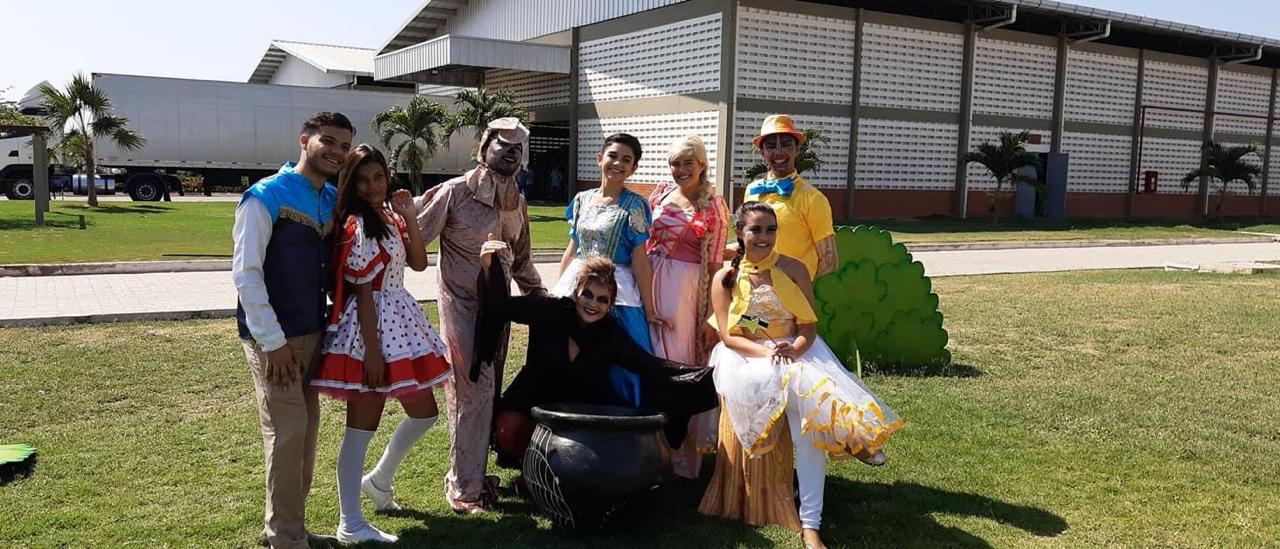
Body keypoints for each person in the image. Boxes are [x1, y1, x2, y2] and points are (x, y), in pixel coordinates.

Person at [698, 202, 902, 549]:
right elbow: (729, 335)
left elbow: (807, 325)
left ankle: (811, 525)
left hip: (796, 349)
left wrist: (793, 348)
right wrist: (770, 353)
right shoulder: (726, 277)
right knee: (805, 396)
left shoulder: (793, 268)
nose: (764, 237)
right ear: (740, 233)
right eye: (755, 229)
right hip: (747, 357)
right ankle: (849, 435)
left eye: (771, 229)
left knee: (810, 428)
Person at [308, 145, 451, 543]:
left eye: (378, 177)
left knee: (425, 413)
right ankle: (350, 523)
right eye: (363, 180)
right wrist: (372, 351)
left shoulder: (390, 216)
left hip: (399, 320)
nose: (373, 186)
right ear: (350, 184)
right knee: (360, 429)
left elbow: (419, 263)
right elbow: (363, 290)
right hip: (367, 328)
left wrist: (410, 216)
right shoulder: (357, 224)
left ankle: (379, 480)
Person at [474, 250, 718, 471]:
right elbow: (501, 306)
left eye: (602, 300)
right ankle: (528, 465)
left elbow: (649, 365)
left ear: (610, 305)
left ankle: (547, 472)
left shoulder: (610, 334)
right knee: (509, 429)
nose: (593, 304)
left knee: (596, 456)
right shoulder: (549, 311)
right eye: (588, 295)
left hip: (578, 410)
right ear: (576, 293)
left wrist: (702, 378)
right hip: (533, 398)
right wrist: (488, 267)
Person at [413, 117, 546, 514]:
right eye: (504, 144)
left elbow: (522, 261)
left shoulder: (517, 201)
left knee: (488, 393)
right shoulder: (454, 193)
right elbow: (414, 238)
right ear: (484, 146)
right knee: (471, 393)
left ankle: (473, 474)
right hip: (461, 308)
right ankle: (464, 488)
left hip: (498, 312)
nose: (511, 153)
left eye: (518, 148)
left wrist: (543, 300)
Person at [232, 112, 352, 549]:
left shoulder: (332, 197)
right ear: (304, 140)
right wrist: (273, 343)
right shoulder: (264, 196)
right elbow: (246, 275)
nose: (336, 152)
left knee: (304, 433)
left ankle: (289, 528)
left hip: (314, 334)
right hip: (274, 340)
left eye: (344, 146)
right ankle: (285, 538)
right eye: (328, 141)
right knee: (287, 435)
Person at [552, 133, 662, 408]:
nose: (618, 163)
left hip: (618, 290)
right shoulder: (582, 199)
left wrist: (649, 309)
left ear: (633, 168)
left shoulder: (635, 205)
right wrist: (558, 292)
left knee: (629, 354)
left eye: (627, 160)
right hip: (578, 284)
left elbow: (640, 259)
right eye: (613, 156)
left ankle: (629, 417)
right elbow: (572, 248)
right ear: (600, 158)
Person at [645, 135, 730, 479]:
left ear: (702, 165)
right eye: (675, 164)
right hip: (651, 279)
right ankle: (650, 445)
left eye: (687, 163)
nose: (680, 170)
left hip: (686, 288)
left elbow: (717, 262)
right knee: (651, 355)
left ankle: (682, 455)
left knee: (681, 360)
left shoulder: (714, 204)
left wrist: (710, 316)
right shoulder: (660, 195)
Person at [743, 115, 838, 279]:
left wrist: (797, 285)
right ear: (762, 152)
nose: (779, 152)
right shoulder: (752, 191)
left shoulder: (812, 198)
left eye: (786, 144)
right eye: (771, 146)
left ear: (797, 149)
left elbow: (829, 260)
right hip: (755, 287)